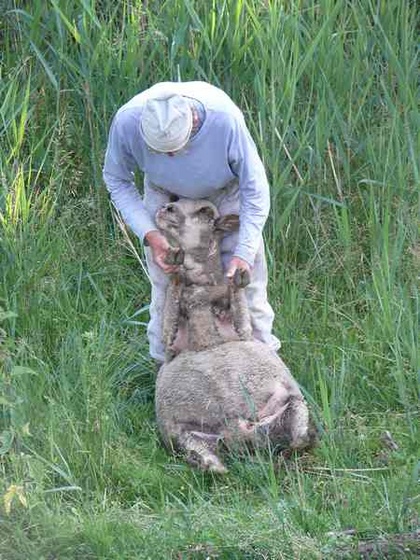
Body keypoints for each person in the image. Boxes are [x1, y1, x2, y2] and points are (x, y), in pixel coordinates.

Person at [103, 81, 280, 363]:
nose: (171, 156)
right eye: (162, 151)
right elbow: (116, 179)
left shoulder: (224, 119)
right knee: (166, 283)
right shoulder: (127, 121)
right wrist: (150, 235)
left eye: (176, 147)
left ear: (193, 120)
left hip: (224, 191)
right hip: (164, 195)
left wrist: (244, 252)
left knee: (244, 282)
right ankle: (165, 368)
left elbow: (255, 187)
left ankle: (263, 363)